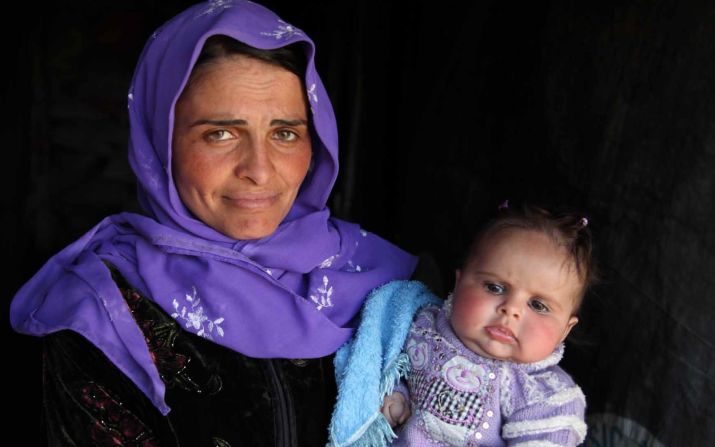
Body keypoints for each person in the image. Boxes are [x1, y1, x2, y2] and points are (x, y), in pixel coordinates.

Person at [9, 1, 418, 445]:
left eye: (285, 133)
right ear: (160, 146)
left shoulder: (385, 288)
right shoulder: (99, 316)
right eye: (220, 134)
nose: (259, 170)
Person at [378, 203, 596, 446]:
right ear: (459, 283)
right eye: (495, 287)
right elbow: (390, 366)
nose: (511, 310)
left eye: (538, 305)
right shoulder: (425, 325)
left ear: (564, 330)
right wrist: (399, 394)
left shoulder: (543, 395)